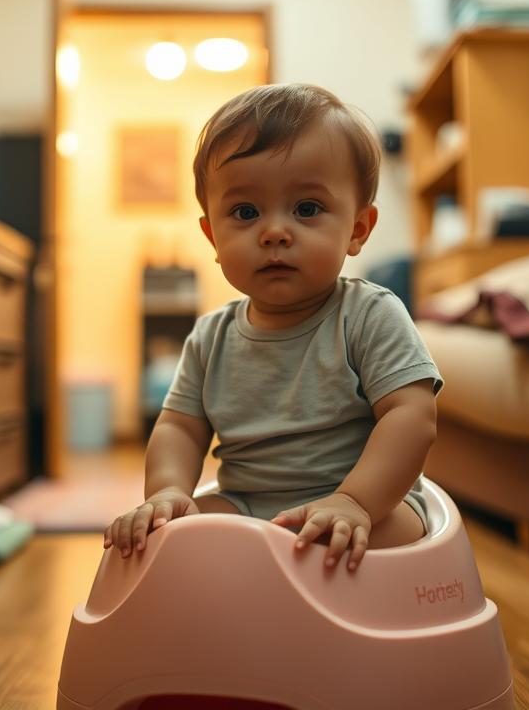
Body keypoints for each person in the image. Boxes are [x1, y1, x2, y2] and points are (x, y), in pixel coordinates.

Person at [104, 83, 442, 572]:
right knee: (167, 542)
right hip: (246, 506)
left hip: (370, 505)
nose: (275, 231)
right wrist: (168, 493)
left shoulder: (370, 314)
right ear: (212, 236)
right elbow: (179, 426)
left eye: (307, 209)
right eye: (245, 212)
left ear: (357, 229)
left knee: (359, 540)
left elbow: (413, 416)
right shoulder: (209, 338)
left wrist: (355, 502)